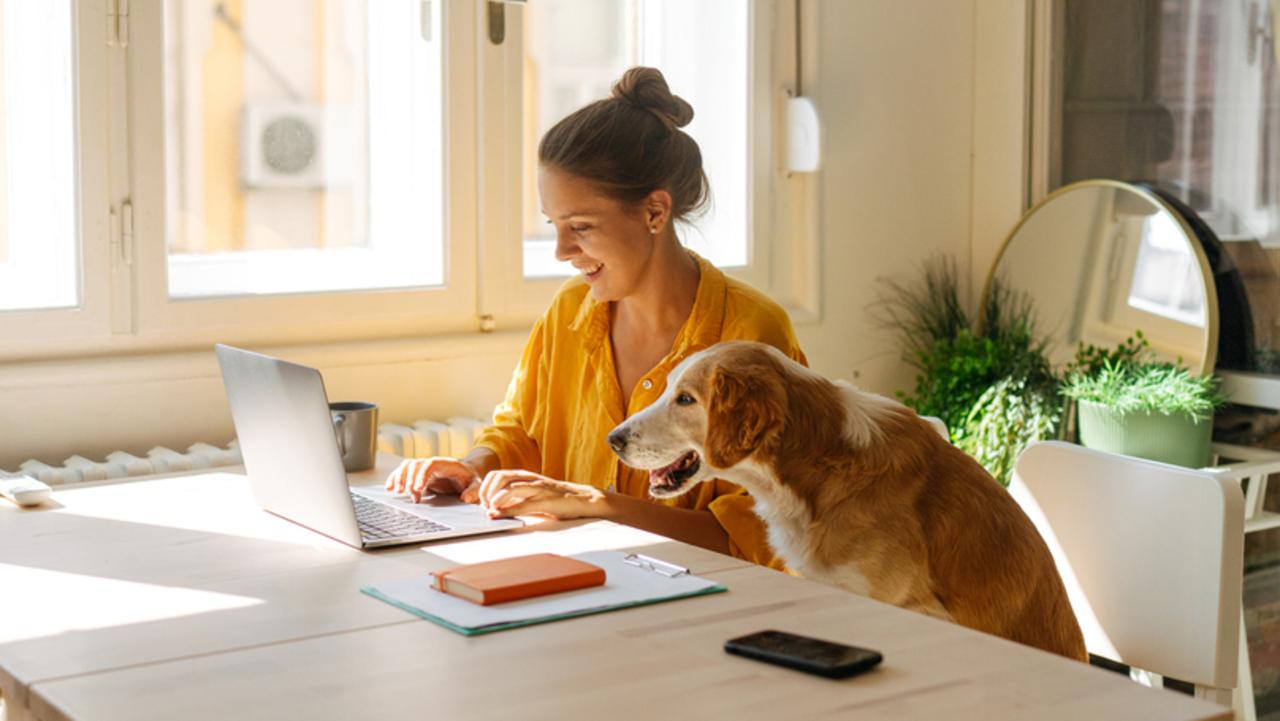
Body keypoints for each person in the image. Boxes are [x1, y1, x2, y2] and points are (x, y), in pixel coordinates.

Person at [386, 66, 806, 567]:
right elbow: (521, 431)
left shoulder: (752, 333)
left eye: (580, 226)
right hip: (573, 580)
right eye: (554, 226)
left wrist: (601, 508)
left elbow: (760, 537)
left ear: (654, 212)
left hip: (703, 606)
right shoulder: (569, 311)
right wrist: (471, 467)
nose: (562, 250)